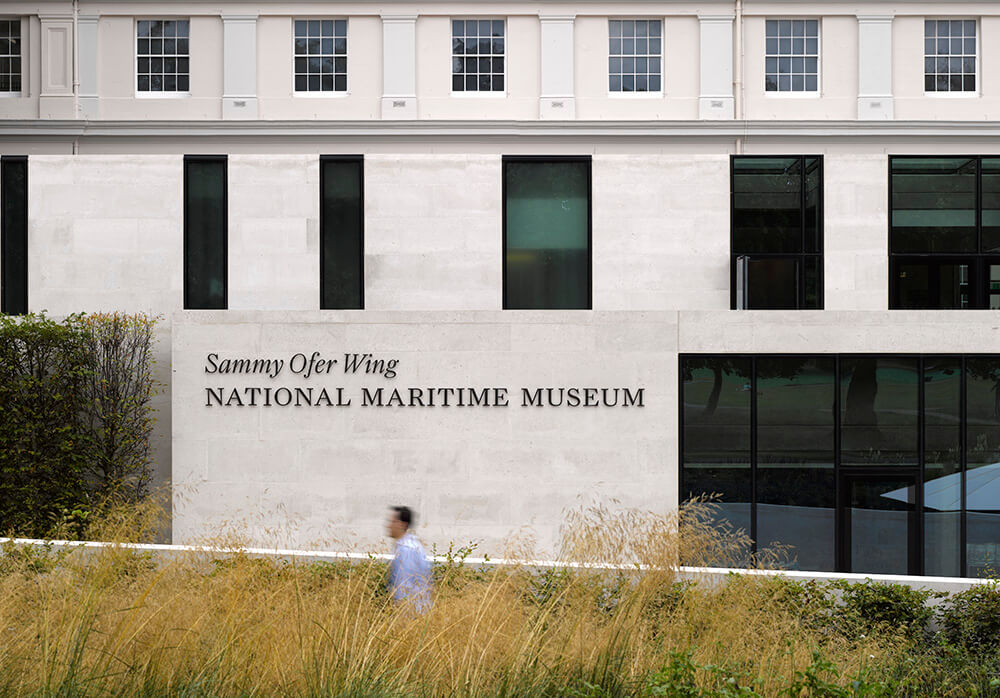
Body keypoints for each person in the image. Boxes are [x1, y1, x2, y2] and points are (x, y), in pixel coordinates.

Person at [386, 505, 432, 612]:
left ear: (403, 524)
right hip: (418, 611)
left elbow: (403, 587)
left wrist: (400, 616)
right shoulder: (412, 545)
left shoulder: (406, 550)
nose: (388, 526)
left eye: (392, 521)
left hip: (410, 613)